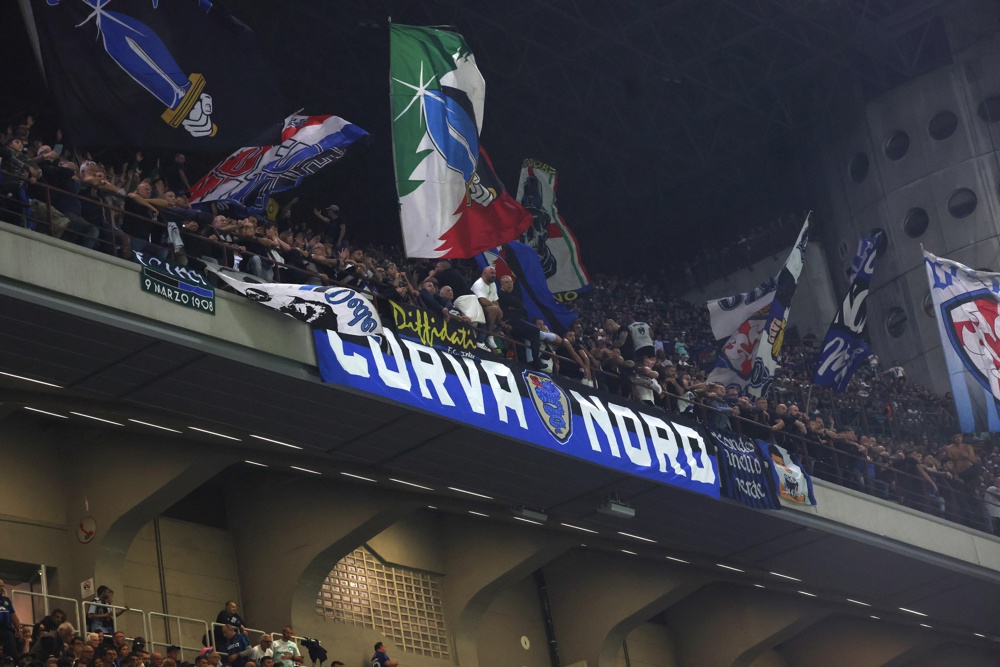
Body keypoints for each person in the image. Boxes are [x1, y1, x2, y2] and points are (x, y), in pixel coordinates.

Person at [0, 579, 23, 661]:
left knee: (13, 655)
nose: (1, 588)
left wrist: (19, 629)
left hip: (7, 630)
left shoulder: (6, 600)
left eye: (2, 586)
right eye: (0, 586)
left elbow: (13, 615)